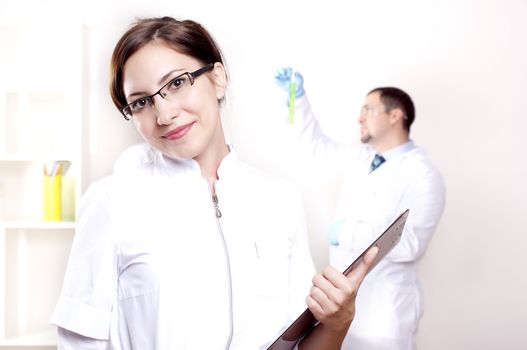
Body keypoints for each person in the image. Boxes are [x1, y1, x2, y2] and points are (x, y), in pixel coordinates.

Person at [50, 17, 378, 350]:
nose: (163, 115)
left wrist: (338, 321)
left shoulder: (281, 201)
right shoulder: (112, 202)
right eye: (141, 102)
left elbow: (297, 344)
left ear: (217, 79)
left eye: (177, 83)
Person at [275, 68, 446, 350]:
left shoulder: (424, 176)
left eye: (368, 109)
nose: (359, 117)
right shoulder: (362, 159)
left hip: (385, 321)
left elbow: (412, 243)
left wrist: (347, 233)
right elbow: (315, 147)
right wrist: (297, 98)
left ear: (395, 115)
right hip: (341, 313)